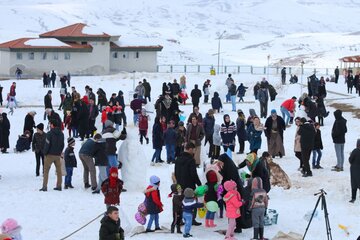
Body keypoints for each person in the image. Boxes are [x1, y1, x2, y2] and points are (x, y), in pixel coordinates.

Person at [174, 142, 202, 225]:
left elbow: (175, 173)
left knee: (181, 203)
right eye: (193, 150)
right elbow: (193, 173)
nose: (194, 152)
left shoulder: (178, 159)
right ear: (190, 149)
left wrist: (178, 182)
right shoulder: (191, 160)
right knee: (192, 202)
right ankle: (192, 219)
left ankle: (180, 220)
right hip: (190, 185)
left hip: (180, 185)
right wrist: (199, 184)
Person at [39, 119, 64, 191]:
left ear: (52, 125)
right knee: (59, 171)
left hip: (49, 155)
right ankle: (59, 186)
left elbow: (47, 144)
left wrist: (45, 152)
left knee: (46, 171)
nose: (50, 125)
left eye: (50, 124)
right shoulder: (61, 134)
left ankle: (44, 186)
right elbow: (62, 144)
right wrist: (59, 152)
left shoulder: (49, 133)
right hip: (57, 155)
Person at [349, 139, 360, 203]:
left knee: (354, 184)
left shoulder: (355, 151)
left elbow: (350, 160)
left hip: (354, 169)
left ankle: (353, 198)